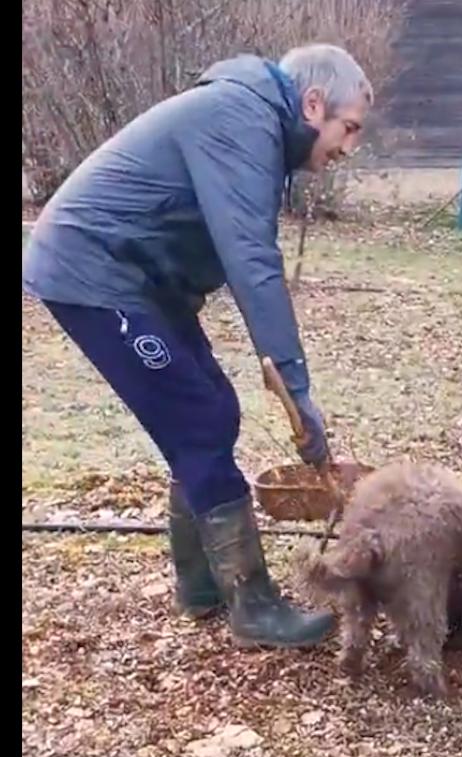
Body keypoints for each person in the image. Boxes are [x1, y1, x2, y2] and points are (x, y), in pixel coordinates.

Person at [22, 44, 373, 649]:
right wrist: (297, 389)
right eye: (348, 129)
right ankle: (253, 606)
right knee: (200, 420)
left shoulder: (253, 121)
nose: (348, 147)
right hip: (94, 273)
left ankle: (203, 585)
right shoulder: (242, 121)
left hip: (144, 285)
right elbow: (252, 262)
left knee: (215, 409)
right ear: (313, 105)